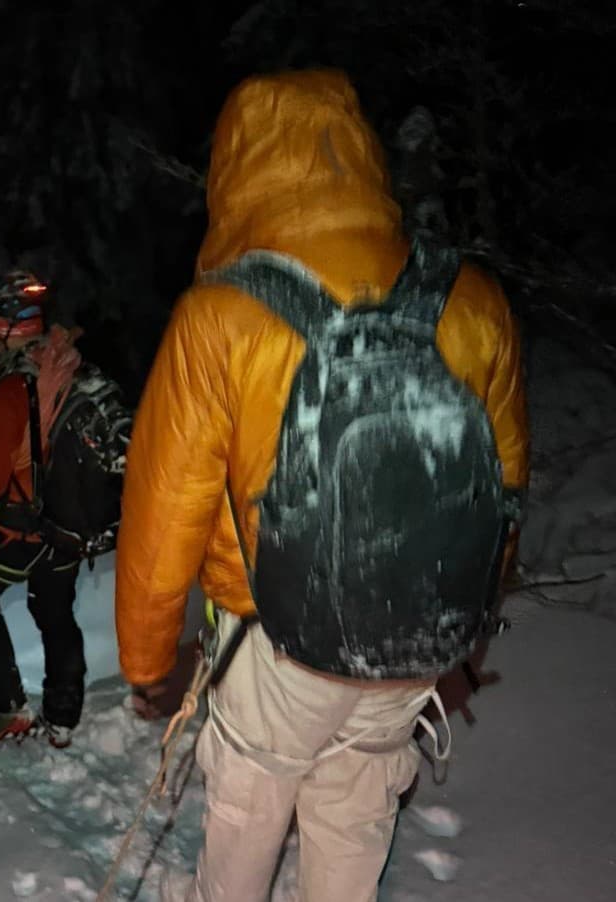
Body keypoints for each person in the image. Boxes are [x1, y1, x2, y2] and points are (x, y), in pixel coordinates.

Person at [115, 70, 529, 902]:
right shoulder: (470, 298)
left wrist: (149, 665)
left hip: (268, 638)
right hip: (412, 631)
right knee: (355, 812)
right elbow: (504, 492)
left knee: (248, 809)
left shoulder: (218, 317)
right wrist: (465, 636)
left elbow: (164, 516)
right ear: (362, 155)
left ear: (234, 171)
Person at [0, 268, 88, 748]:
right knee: (56, 612)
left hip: (25, 529)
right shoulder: (71, 368)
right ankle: (63, 716)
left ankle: (8, 708)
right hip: (71, 525)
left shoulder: (10, 389)